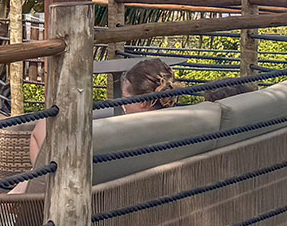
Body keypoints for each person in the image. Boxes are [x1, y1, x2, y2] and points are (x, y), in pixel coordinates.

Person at [25, 58, 185, 167]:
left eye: (124, 98)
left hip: (93, 196)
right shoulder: (181, 124)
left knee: (43, 126)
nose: (122, 105)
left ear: (143, 102)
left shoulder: (125, 134)